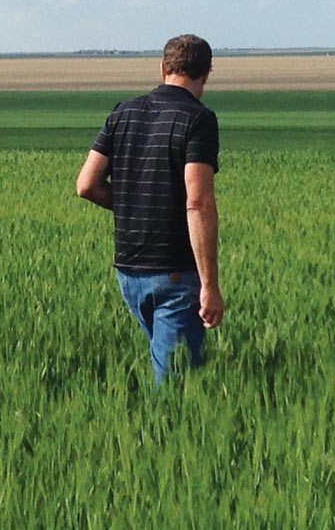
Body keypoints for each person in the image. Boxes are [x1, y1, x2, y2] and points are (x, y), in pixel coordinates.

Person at [76, 34, 224, 385]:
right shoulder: (198, 120)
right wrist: (210, 285)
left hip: (128, 272)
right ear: (206, 75)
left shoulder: (122, 113)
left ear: (162, 69)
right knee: (175, 390)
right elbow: (198, 202)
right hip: (174, 271)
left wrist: (132, 206)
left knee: (168, 369)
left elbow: (86, 185)